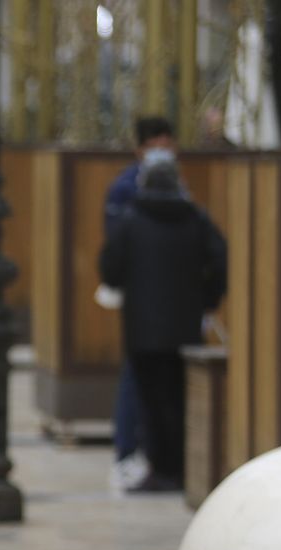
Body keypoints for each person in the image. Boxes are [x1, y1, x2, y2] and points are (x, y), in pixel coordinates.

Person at [98, 154, 227, 493]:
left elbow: (110, 266)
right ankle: (182, 468)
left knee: (150, 400)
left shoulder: (131, 220)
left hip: (142, 329)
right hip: (184, 326)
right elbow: (219, 258)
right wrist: (209, 298)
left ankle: (160, 468)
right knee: (179, 398)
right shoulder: (196, 219)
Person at [104, 117, 176, 489]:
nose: (163, 151)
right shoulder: (124, 189)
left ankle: (158, 456)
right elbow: (114, 252)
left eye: (167, 143)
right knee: (135, 375)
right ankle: (127, 451)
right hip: (142, 301)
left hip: (173, 302)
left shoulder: (177, 189)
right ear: (140, 149)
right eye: (155, 144)